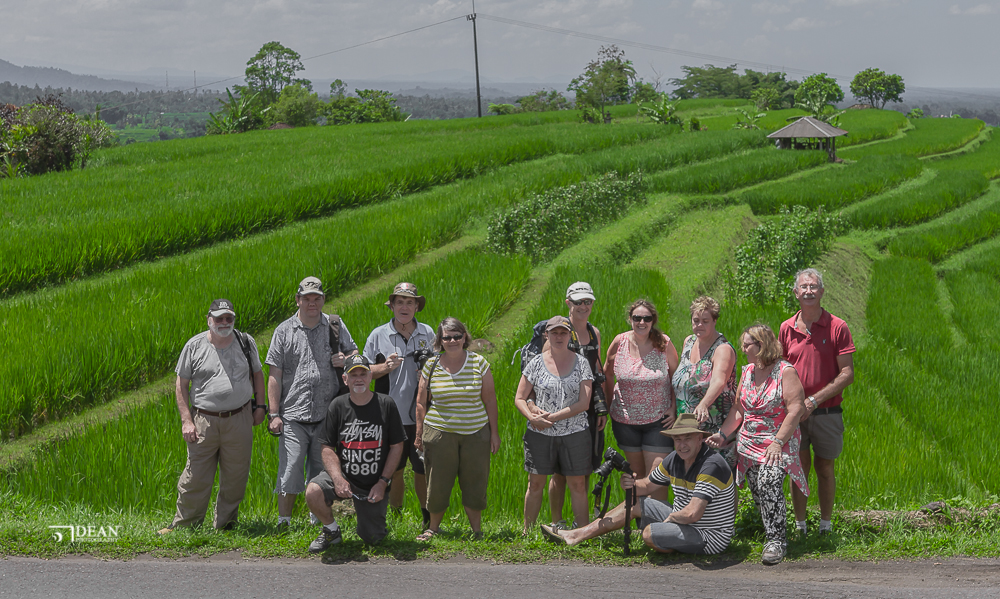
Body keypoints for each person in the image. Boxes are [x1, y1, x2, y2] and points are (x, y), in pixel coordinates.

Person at [540, 413, 736, 555]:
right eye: (677, 439)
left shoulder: (711, 465)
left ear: (700, 438)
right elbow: (648, 486)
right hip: (684, 521)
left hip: (709, 536)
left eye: (688, 439)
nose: (682, 444)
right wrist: (632, 483)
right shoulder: (675, 458)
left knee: (649, 534)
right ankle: (576, 535)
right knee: (634, 502)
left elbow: (693, 513)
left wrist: (667, 522)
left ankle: (672, 543)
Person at [160, 299, 266, 534]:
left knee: (236, 476)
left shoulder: (245, 342)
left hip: (239, 417)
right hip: (203, 421)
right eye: (219, 318)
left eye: (229, 318)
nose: (224, 322)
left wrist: (260, 407)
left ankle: (226, 525)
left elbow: (258, 374)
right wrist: (186, 420)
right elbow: (181, 385)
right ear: (209, 320)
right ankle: (185, 525)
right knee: (195, 476)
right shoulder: (194, 346)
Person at [708, 323, 808, 565]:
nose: (742, 349)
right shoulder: (748, 371)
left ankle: (776, 540)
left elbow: (796, 409)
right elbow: (739, 408)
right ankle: (766, 526)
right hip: (749, 443)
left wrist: (777, 442)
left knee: (769, 480)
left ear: (761, 345)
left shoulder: (785, 371)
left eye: (746, 344)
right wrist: (723, 434)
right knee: (759, 491)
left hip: (778, 441)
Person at [266, 276, 358, 528]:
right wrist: (274, 414)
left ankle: (317, 521)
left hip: (327, 413)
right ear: (298, 301)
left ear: (323, 300)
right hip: (293, 414)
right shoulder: (283, 331)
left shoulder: (334, 325)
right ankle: (283, 521)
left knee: (321, 470)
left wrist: (345, 359)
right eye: (306, 298)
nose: (312, 303)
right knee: (291, 467)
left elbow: (355, 354)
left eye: (317, 298)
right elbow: (274, 375)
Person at [780, 268, 855, 537]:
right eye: (804, 287)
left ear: (822, 292)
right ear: (796, 293)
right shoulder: (786, 328)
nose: (809, 291)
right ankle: (800, 527)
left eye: (814, 287)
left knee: (825, 467)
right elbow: (781, 369)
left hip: (827, 412)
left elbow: (847, 374)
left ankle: (825, 525)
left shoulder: (837, 326)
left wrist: (813, 400)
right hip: (794, 415)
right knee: (798, 470)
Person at [304, 355, 405, 551]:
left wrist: (382, 482)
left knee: (373, 538)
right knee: (313, 491)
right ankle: (331, 531)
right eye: (353, 375)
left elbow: (396, 446)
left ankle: (372, 521)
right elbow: (327, 447)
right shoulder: (338, 405)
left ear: (370, 377)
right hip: (346, 476)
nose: (359, 379)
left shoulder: (386, 404)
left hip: (373, 484)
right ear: (345, 379)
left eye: (363, 374)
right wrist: (337, 478)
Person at [413, 317, 501, 541]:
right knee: (438, 481)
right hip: (439, 433)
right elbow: (421, 402)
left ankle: (477, 531)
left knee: (475, 481)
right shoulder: (431, 365)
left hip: (475, 433)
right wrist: (419, 432)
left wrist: (494, 433)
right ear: (440, 341)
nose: (452, 340)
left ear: (464, 338)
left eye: (457, 336)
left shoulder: (479, 363)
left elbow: (490, 400)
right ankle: (433, 528)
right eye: (447, 337)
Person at [363, 282, 436, 528]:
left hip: (420, 414)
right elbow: (363, 373)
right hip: (387, 414)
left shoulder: (428, 334)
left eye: (410, 302)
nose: (405, 307)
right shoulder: (378, 335)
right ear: (392, 306)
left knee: (421, 468)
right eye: (400, 302)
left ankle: (426, 517)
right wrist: (385, 367)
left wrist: (427, 375)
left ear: (417, 306)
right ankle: (395, 515)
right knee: (393, 469)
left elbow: (441, 371)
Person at [515, 315, 593, 535]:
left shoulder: (581, 363)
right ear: (546, 335)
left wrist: (553, 418)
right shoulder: (536, 363)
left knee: (577, 484)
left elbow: (583, 403)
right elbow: (519, 398)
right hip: (539, 433)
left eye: (563, 332)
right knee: (535, 483)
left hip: (575, 432)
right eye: (554, 333)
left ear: (570, 335)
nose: (559, 337)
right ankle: (527, 532)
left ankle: (582, 533)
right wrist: (532, 418)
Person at [549, 282, 607, 530]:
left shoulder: (595, 332)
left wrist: (601, 405)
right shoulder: (560, 331)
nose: (583, 306)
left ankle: (580, 522)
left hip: (589, 408)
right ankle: (556, 521)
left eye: (588, 302)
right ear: (568, 303)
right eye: (578, 302)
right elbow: (546, 366)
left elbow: (597, 369)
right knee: (560, 470)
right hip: (563, 407)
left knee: (585, 466)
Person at [603, 299, 678, 478]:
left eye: (647, 318)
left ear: (653, 320)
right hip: (625, 423)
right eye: (637, 318)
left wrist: (674, 408)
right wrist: (608, 405)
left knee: (656, 480)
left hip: (659, 421)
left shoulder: (664, 344)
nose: (642, 322)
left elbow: (677, 378)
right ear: (630, 319)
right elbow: (607, 373)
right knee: (636, 478)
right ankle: (636, 507)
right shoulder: (619, 342)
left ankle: (655, 507)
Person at [672, 296, 737, 466]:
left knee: (718, 481)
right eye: (696, 320)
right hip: (687, 427)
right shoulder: (689, 341)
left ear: (715, 321)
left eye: (705, 321)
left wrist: (703, 404)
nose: (699, 325)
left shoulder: (722, 349)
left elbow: (719, 381)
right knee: (690, 478)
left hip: (714, 428)